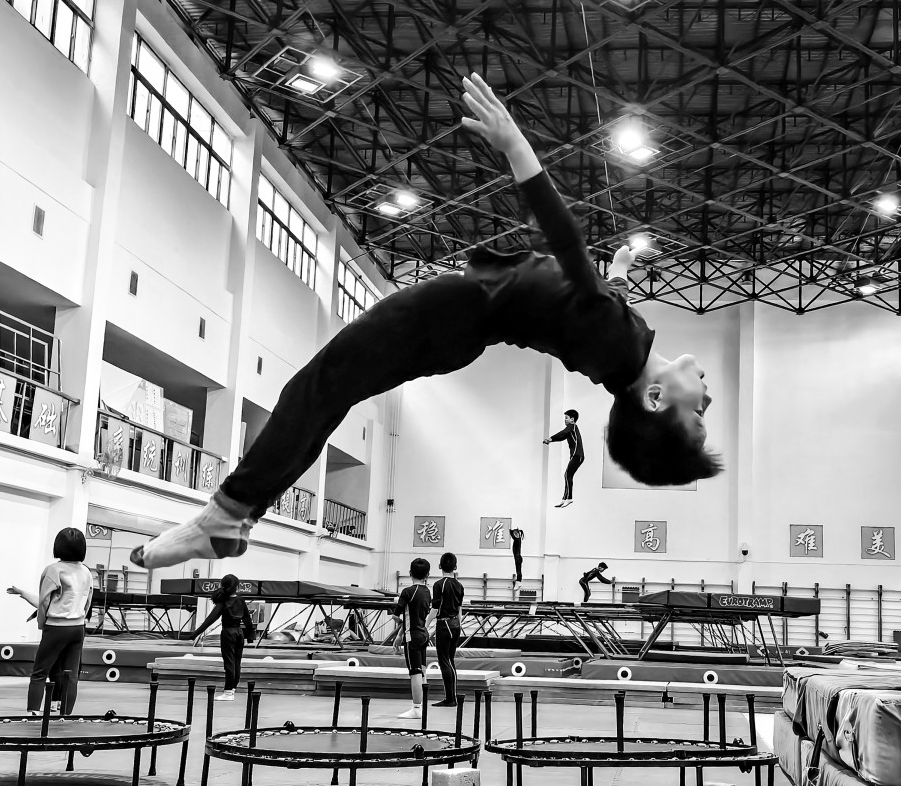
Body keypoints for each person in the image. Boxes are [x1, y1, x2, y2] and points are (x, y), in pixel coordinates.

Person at [130, 74, 720, 570]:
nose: (708, 402)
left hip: (451, 316)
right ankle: (236, 517)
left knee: (320, 384)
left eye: (696, 416)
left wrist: (515, 144)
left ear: (654, 399)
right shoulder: (623, 350)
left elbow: (567, 245)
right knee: (329, 392)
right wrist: (619, 271)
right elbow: (598, 297)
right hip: (456, 325)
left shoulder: (619, 348)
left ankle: (227, 513)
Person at [8, 528, 93, 716]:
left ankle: (33, 712)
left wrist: (42, 623)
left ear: (58, 546)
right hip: (78, 627)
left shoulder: (54, 570)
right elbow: (87, 601)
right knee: (71, 675)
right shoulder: (86, 572)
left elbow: (44, 601)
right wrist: (80, 619)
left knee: (40, 672)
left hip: (56, 627)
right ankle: (65, 714)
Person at [191, 574, 257, 701]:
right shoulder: (241, 600)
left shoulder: (223, 602)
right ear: (237, 586)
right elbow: (247, 619)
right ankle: (232, 690)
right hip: (239, 633)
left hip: (228, 632)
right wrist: (250, 636)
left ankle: (228, 692)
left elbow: (210, 620)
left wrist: (195, 634)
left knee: (229, 663)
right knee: (237, 662)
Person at [392, 557, 431, 719]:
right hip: (423, 634)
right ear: (427, 575)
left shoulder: (407, 592)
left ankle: (416, 708)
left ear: (409, 573)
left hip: (412, 636)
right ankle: (422, 706)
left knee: (415, 672)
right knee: (422, 670)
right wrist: (400, 634)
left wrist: (400, 633)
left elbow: (396, 616)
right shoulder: (427, 592)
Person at [432, 553, 466, 707]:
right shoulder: (459, 585)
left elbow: (435, 609)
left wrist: (425, 625)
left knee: (444, 661)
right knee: (450, 661)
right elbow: (459, 609)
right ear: (456, 567)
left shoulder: (439, 584)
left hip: (444, 624)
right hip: (455, 624)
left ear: (440, 566)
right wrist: (459, 625)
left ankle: (451, 698)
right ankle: (451, 697)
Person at [545, 410, 585, 507]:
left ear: (572, 419)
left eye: (566, 418)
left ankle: (569, 498)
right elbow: (562, 437)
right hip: (577, 456)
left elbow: (563, 432)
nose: (565, 420)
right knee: (567, 475)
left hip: (577, 455)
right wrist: (551, 440)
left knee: (567, 475)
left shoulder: (572, 426)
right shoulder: (570, 430)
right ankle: (564, 498)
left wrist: (550, 438)